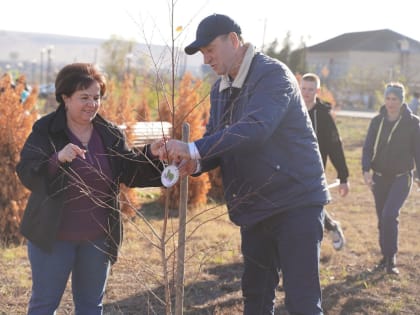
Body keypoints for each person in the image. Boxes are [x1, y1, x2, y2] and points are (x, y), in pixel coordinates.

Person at [160, 14, 330, 315]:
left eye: (210, 49)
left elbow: (256, 128)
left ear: (234, 41)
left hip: (295, 202)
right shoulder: (220, 89)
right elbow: (217, 138)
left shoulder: (273, 75)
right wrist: (194, 163)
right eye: (202, 54)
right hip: (255, 204)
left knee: (302, 301)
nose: (206, 59)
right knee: (256, 297)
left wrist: (192, 147)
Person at [16, 63, 164, 315]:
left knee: (90, 307)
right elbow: (27, 171)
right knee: (44, 305)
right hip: (52, 238)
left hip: (97, 239)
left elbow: (127, 169)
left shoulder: (109, 134)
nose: (92, 104)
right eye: (84, 97)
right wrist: (57, 159)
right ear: (65, 98)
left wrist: (151, 153)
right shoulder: (46, 131)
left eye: (96, 98)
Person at [362, 82, 420, 275]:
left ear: (402, 100)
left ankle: (391, 259)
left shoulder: (413, 123)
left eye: (394, 99)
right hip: (379, 177)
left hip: (401, 177)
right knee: (382, 219)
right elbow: (368, 147)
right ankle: (385, 256)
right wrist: (365, 170)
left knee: (389, 214)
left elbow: (418, 152)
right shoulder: (377, 121)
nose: (391, 102)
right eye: (388, 98)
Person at [300, 73, 349, 250]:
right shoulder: (292, 109)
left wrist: (343, 177)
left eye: (310, 89)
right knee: (301, 204)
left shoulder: (323, 116)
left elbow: (335, 146)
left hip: (315, 168)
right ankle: (329, 227)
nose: (306, 93)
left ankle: (329, 228)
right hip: (292, 166)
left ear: (317, 91)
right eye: (303, 88)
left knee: (311, 203)